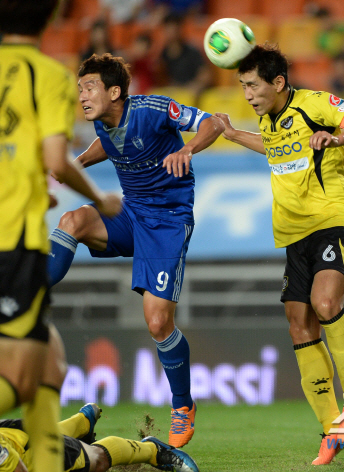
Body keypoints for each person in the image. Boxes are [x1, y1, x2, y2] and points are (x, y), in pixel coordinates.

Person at [46, 53, 224, 448]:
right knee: (72, 221)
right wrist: (78, 163)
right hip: (129, 213)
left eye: (89, 87)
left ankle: (183, 405)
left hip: (167, 221)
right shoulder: (102, 120)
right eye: (80, 89)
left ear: (114, 92)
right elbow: (109, 142)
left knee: (158, 323)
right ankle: (28, 288)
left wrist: (187, 150)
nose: (82, 96)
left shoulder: (153, 109)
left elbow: (212, 122)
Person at [215, 44, 344, 465]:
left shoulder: (315, 103)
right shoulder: (268, 119)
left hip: (335, 221)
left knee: (325, 304)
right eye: (243, 86)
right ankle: (331, 429)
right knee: (298, 325)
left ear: (278, 82)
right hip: (294, 234)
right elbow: (276, 147)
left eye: (253, 86)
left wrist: (336, 137)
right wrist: (233, 135)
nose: (248, 94)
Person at [0, 2, 122, 472]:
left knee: (50, 369)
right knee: (28, 376)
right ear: (50, 19)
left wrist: (31, 186)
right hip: (15, 240)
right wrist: (99, 198)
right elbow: (57, 160)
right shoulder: (47, 76)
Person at [0, 403, 198, 472]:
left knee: (96, 460)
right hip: (12, 434)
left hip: (32, 453)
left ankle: (153, 451)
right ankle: (83, 422)